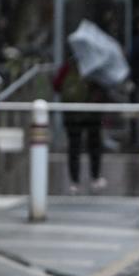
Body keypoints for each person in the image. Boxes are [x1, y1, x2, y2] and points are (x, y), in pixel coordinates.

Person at [53, 55, 108, 195]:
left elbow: (56, 85)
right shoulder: (95, 67)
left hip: (72, 114)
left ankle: (74, 182)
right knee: (94, 146)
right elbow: (105, 86)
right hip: (92, 113)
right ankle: (95, 178)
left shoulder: (68, 66)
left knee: (74, 147)